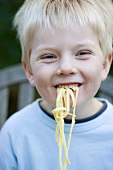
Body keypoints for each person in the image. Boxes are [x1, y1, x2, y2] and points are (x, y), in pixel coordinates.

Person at [0, 0, 113, 169]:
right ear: (29, 70)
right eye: (49, 56)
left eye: (82, 53)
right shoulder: (16, 132)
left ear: (104, 64)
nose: (66, 68)